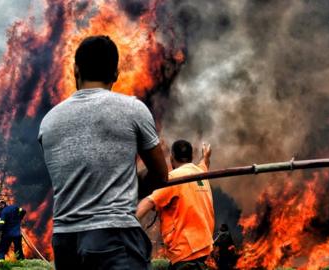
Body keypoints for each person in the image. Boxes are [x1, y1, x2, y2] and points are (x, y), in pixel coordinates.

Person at [38, 35, 168, 270]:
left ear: (75, 70)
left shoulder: (48, 122)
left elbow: (73, 176)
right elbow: (161, 175)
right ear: (115, 73)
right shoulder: (133, 109)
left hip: (65, 242)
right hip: (114, 236)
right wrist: (133, 184)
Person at [136, 140, 214, 270]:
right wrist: (206, 155)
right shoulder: (200, 173)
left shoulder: (173, 179)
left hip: (185, 253)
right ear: (191, 157)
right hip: (203, 250)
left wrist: (126, 223)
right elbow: (205, 163)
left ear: (172, 157)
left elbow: (149, 202)